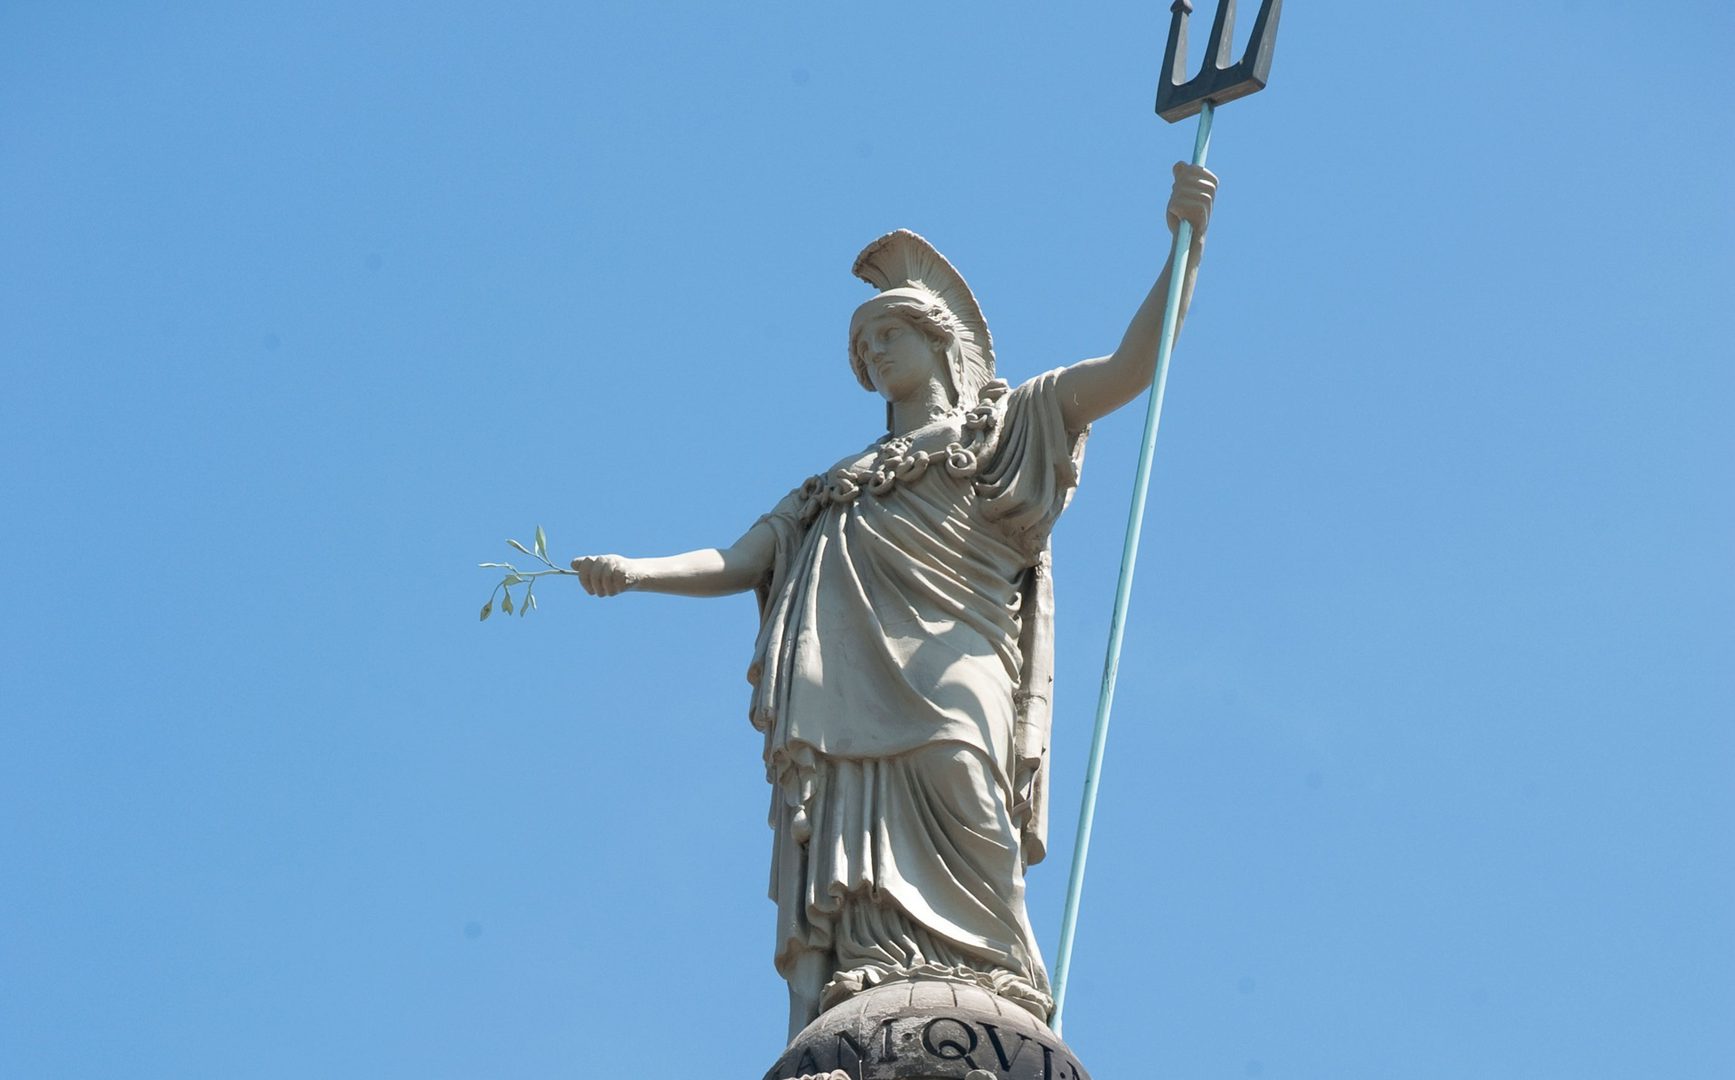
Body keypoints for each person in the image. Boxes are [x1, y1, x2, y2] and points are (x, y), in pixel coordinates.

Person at [572, 164, 1217, 1039]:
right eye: (861, 346)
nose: (873, 354)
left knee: (966, 788)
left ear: (936, 339)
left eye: (886, 334)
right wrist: (636, 570)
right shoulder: (831, 488)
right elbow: (738, 558)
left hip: (958, 663)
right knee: (850, 843)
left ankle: (995, 980)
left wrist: (1184, 246)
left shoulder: (1007, 425)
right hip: (846, 697)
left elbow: (1131, 367)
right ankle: (867, 973)